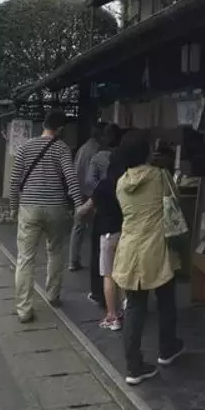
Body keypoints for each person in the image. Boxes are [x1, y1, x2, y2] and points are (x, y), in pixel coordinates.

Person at [113, 129, 183, 385]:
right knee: (166, 300)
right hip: (157, 249)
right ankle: (168, 348)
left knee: (135, 307)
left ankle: (134, 366)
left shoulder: (121, 183)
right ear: (146, 151)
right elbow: (174, 202)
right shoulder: (160, 176)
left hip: (129, 248)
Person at [9, 109, 83, 323]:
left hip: (29, 208)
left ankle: (23, 309)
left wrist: (14, 207)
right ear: (60, 128)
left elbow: (15, 181)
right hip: (55, 208)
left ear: (44, 125)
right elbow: (71, 178)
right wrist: (79, 205)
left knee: (25, 258)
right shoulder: (61, 148)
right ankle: (52, 294)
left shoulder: (26, 147)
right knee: (56, 251)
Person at [77, 145, 126, 331]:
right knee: (122, 272)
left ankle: (112, 316)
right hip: (125, 232)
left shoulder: (105, 184)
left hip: (107, 233)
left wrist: (77, 213)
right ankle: (121, 309)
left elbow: (87, 207)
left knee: (108, 275)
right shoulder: (127, 182)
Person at [85, 123, 122, 306]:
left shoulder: (99, 157)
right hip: (124, 218)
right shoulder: (124, 159)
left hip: (104, 217)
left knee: (103, 264)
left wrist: (98, 194)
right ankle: (122, 305)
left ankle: (100, 297)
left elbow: (90, 180)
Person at [68, 123, 103, 271]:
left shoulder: (83, 148)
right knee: (95, 227)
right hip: (91, 193)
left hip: (78, 191)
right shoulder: (97, 150)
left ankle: (73, 260)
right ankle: (96, 260)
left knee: (78, 227)